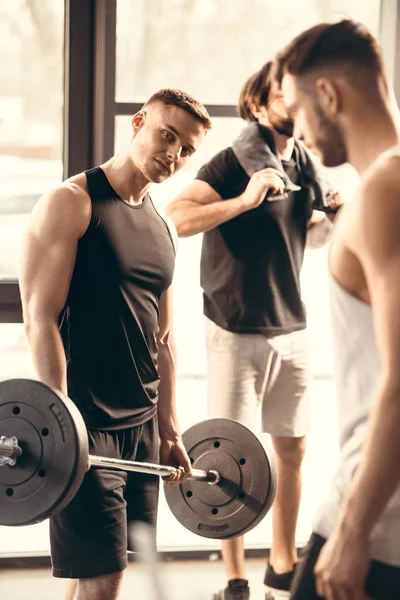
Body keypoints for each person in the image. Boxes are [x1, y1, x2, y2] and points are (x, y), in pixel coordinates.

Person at [19, 88, 211, 600]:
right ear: (139, 122)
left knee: (104, 572)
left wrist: (169, 427)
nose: (173, 153)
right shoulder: (72, 202)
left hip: (142, 428)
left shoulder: (164, 226)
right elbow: (39, 317)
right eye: (167, 135)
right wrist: (59, 424)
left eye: (187, 149)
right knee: (106, 580)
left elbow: (163, 338)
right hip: (87, 424)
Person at [165, 64, 341, 600]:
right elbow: (177, 214)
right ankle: (234, 578)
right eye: (282, 95)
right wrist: (243, 200)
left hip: (292, 325)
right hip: (235, 326)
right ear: (260, 107)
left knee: (293, 453)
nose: (295, 101)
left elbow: (303, 238)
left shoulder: (303, 162)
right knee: (232, 457)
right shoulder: (231, 160)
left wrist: (331, 217)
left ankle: (281, 570)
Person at [273, 19, 400, 600]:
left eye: (297, 110)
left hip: (377, 520)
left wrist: (355, 530)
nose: (297, 132)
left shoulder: (383, 190)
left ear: (328, 95)